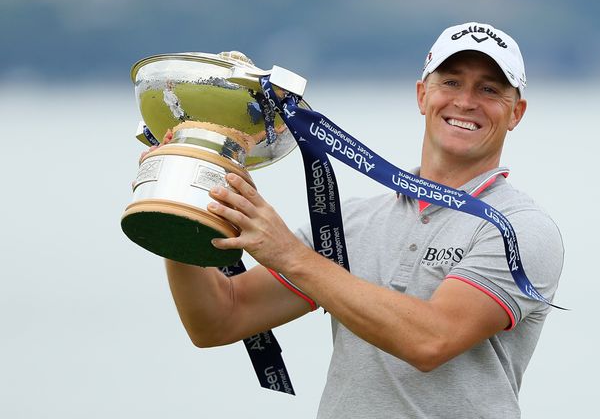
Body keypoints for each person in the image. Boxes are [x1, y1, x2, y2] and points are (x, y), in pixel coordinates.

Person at [164, 22, 564, 418]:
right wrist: (176, 202)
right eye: (451, 82)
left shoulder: (519, 228)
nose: (465, 101)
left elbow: (432, 340)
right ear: (423, 95)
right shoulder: (350, 223)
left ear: (517, 113)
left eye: (490, 89)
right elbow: (219, 318)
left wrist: (288, 254)